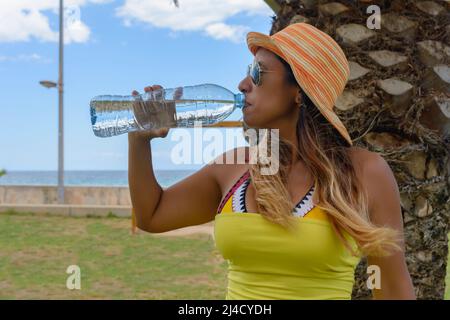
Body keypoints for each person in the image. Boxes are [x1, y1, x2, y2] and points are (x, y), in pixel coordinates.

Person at [128, 23, 415, 300]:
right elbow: (152, 215)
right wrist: (139, 141)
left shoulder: (364, 172)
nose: (242, 85)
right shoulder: (235, 167)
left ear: (299, 91)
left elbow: (392, 289)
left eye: (257, 73)